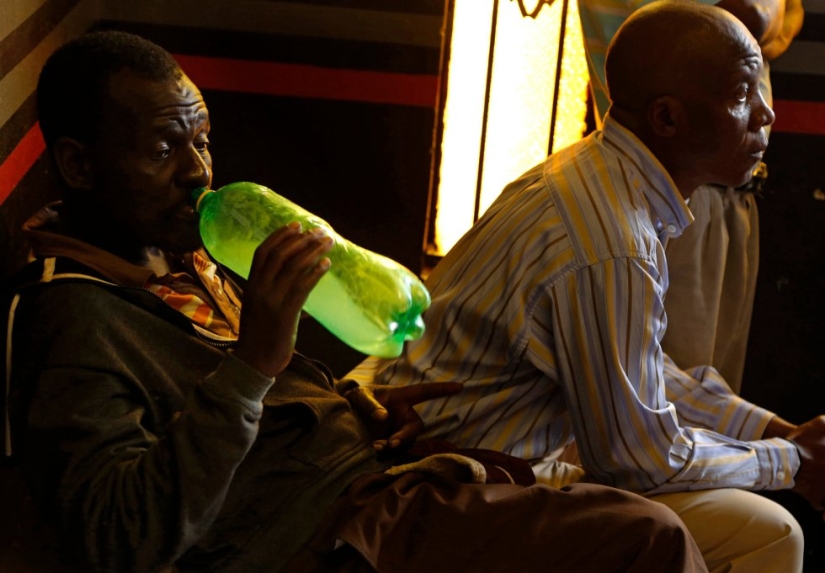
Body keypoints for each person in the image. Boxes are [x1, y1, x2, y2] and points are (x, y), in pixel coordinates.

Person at [0, 30, 707, 573]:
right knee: (646, 537)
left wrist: (346, 403)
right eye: (162, 150)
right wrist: (254, 363)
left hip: (372, 475)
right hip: (323, 535)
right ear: (79, 165)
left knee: (615, 508)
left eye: (202, 141)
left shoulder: (179, 252)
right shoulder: (70, 317)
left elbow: (238, 404)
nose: (197, 171)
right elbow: (118, 539)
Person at [349, 2, 825, 572]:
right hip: (455, 483)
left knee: (765, 531)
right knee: (764, 533)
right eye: (742, 95)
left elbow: (639, 366)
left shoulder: (601, 178)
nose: (767, 112)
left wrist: (774, 431)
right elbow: (637, 459)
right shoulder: (613, 239)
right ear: (666, 118)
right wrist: (791, 462)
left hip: (504, 458)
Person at [579, 0, 804, 392]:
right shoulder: (631, 225)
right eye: (741, 92)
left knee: (699, 389)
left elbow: (775, 24)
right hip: (683, 193)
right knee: (666, 388)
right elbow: (750, 17)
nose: (766, 114)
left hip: (716, 193)